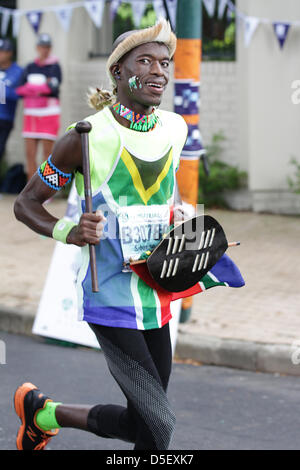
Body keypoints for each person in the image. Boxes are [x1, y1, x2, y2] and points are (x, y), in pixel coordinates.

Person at [13, 19, 189, 451]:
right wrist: (70, 231)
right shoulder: (84, 138)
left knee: (146, 421)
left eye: (164, 62)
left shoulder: (174, 128)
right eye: (144, 61)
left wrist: (180, 213)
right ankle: (43, 413)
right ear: (117, 72)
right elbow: (26, 204)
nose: (157, 71)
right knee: (159, 425)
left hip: (157, 289)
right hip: (108, 291)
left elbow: (169, 190)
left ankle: (44, 413)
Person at [16, 33, 62, 180]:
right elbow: (19, 90)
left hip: (49, 113)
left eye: (47, 47)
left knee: (47, 154)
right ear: (37, 48)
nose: (45, 50)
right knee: (30, 154)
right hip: (31, 114)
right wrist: (42, 87)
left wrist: (32, 88)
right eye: (42, 47)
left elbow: (53, 88)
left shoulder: (55, 66)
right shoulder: (30, 67)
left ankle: (45, 189)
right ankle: (31, 188)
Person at [0, 38, 23, 163]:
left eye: (2, 51)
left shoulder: (18, 71)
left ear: (10, 53)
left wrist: (4, 90)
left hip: (4, 118)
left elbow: (19, 94)